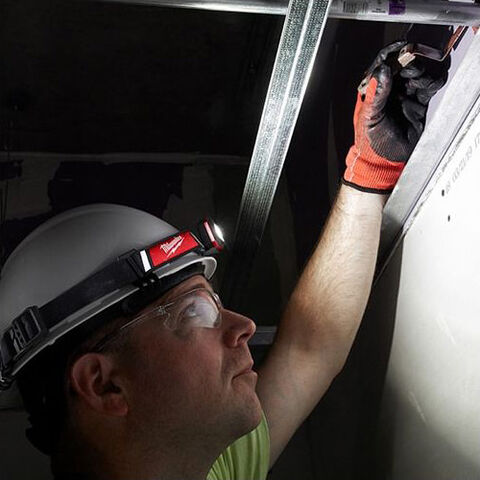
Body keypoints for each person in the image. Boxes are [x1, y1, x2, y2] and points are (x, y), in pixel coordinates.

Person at [0, 41, 448, 480]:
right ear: (104, 385)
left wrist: (371, 170)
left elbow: (310, 346)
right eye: (195, 312)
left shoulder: (217, 466)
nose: (245, 327)